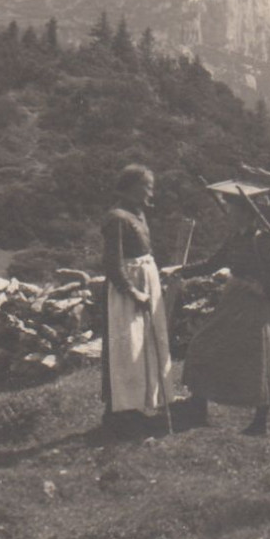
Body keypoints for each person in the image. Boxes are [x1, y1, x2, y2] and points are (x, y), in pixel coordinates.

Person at [180, 181, 270, 436]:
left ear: (245, 213)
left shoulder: (261, 239)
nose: (228, 214)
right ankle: (197, 406)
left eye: (232, 210)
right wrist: (180, 272)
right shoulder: (236, 238)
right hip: (234, 300)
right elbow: (213, 263)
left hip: (257, 305)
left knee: (259, 359)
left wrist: (262, 288)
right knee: (204, 344)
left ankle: (259, 423)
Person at [99, 164, 177, 434]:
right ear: (131, 187)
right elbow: (113, 263)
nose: (150, 192)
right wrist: (133, 292)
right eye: (147, 186)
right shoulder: (117, 218)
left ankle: (145, 403)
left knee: (148, 346)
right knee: (128, 347)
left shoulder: (138, 214)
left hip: (147, 280)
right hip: (129, 288)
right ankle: (123, 412)